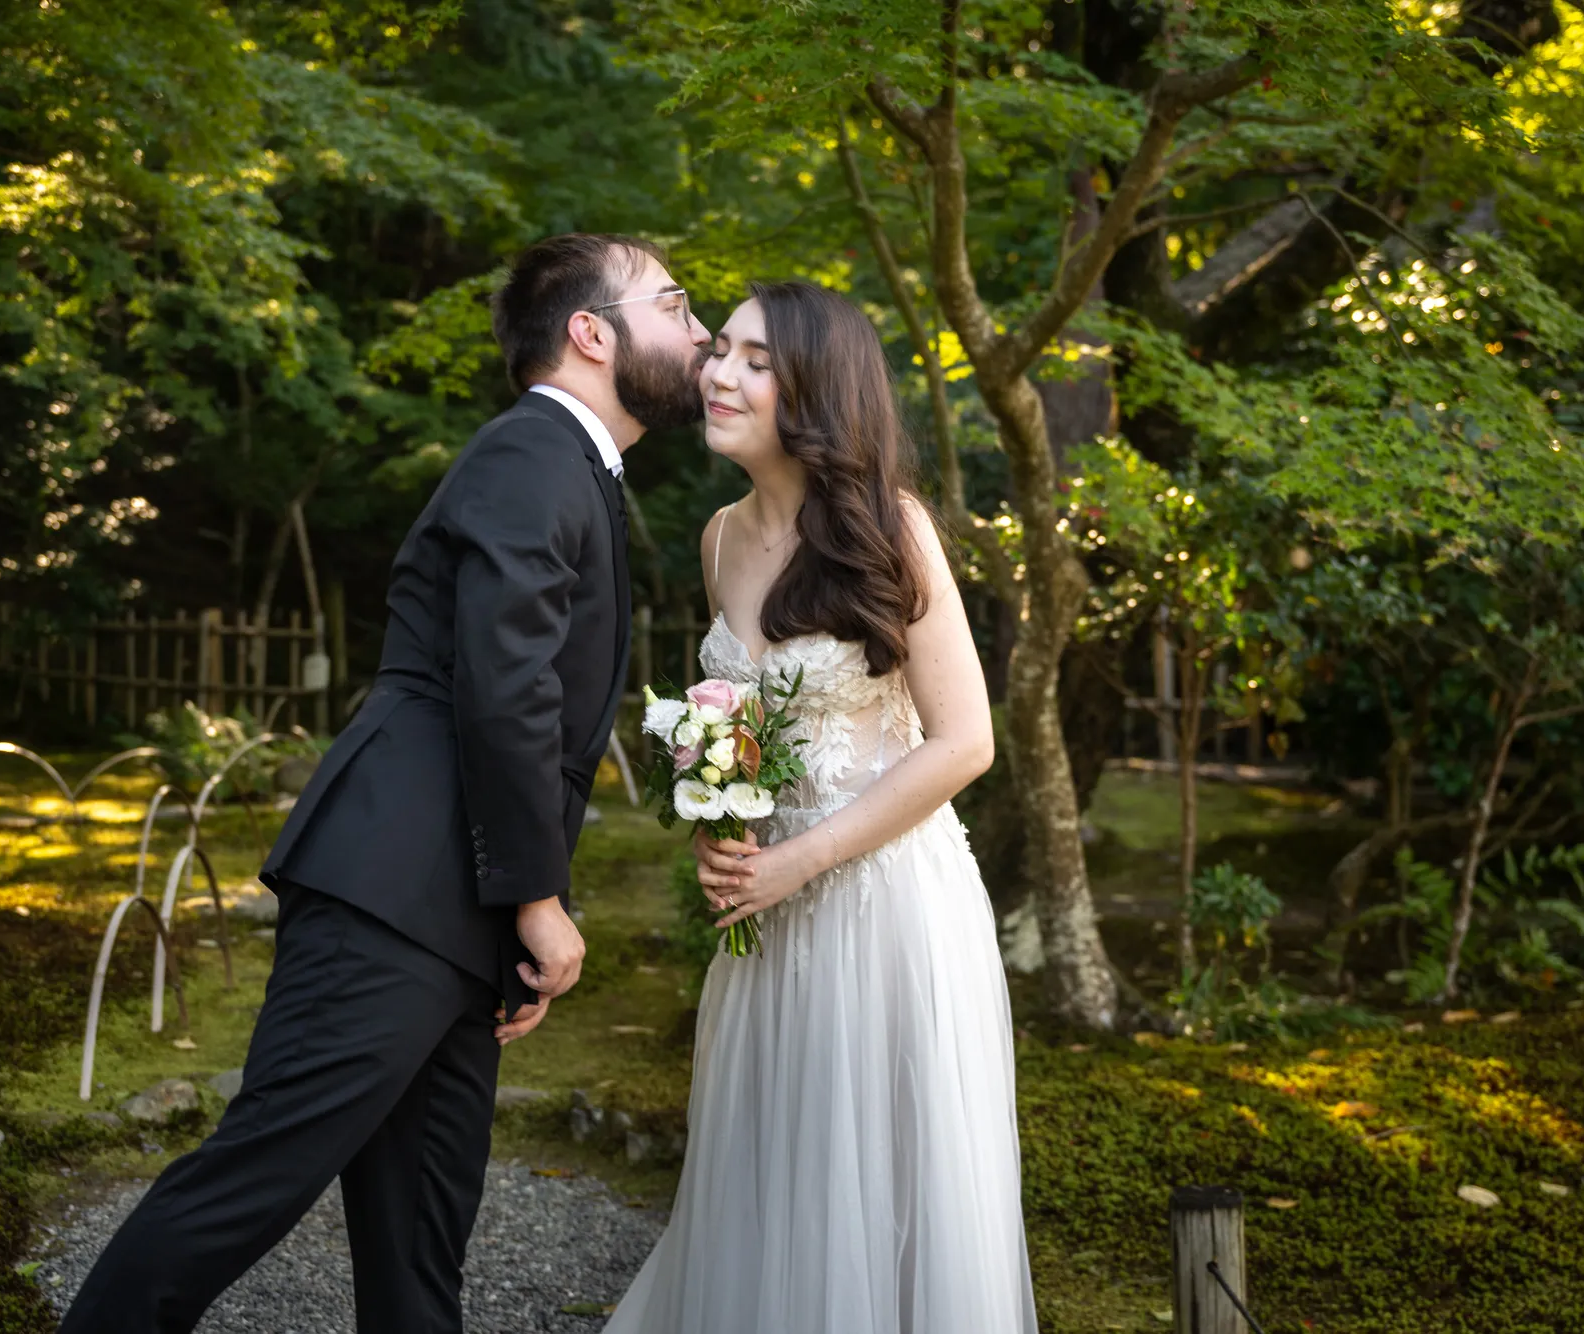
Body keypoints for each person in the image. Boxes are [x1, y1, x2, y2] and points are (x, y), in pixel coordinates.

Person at [57, 233, 711, 1334]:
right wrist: (540, 898)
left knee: (419, 1237)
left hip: (454, 898)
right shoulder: (530, 455)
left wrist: (513, 907)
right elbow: (503, 685)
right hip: (392, 886)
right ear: (590, 334)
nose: (699, 333)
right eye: (677, 306)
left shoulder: (575, 469)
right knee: (253, 1176)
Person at [602, 281, 1040, 1333]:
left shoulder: (892, 528)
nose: (718, 374)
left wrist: (805, 858)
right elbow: (744, 716)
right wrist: (726, 817)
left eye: (755, 360)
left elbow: (965, 740)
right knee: (772, 1170)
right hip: (765, 915)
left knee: (880, 1182)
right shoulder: (717, 539)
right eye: (721, 352)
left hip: (889, 909)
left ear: (816, 386)